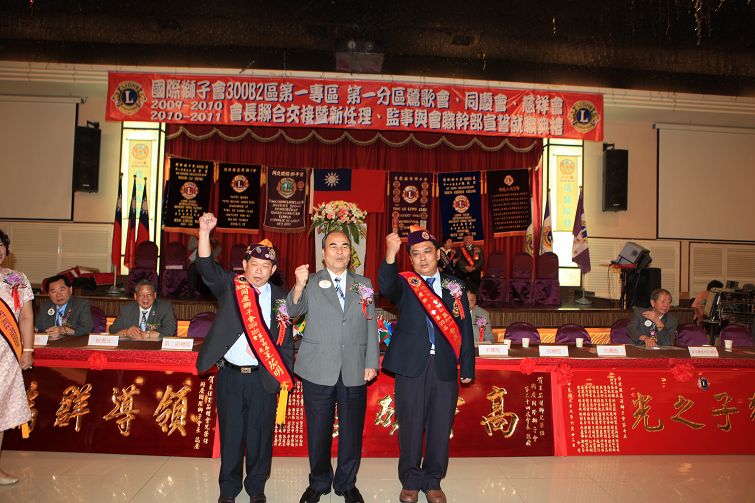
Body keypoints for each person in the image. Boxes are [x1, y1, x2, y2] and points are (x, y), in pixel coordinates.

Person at [195, 213, 294, 503]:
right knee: (231, 435)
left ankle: (256, 489)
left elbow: (285, 340)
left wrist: (283, 374)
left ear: (273, 270)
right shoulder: (230, 285)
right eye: (254, 265)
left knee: (260, 437)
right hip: (231, 375)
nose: (259, 271)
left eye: (265, 266)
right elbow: (206, 267)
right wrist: (204, 233)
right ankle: (228, 490)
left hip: (264, 377)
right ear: (244, 265)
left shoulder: (281, 297)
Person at [378, 227, 475, 503]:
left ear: (437, 253)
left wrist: (468, 366)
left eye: (427, 252)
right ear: (410, 259)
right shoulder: (405, 283)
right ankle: (410, 481)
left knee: (440, 425)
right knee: (409, 424)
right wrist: (390, 254)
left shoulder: (455, 285)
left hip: (444, 365)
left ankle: (433, 481)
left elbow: (465, 327)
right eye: (416, 254)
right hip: (411, 365)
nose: (422, 258)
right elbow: (386, 287)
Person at [288, 230, 379, 503]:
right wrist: (299, 286)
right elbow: (292, 312)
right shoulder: (311, 282)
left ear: (350, 253)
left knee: (351, 432)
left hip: (354, 367)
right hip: (318, 367)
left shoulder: (363, 284)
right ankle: (318, 482)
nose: (339, 251)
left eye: (344, 246)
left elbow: (370, 324)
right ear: (323, 252)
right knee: (318, 431)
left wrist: (371, 361)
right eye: (333, 246)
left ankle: (346, 483)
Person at [0, 229, 34, 485]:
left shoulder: (17, 280)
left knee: (0, 413)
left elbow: (26, 317)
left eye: (1, 246)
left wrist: (28, 350)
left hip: (6, 355)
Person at [109, 280, 177, 339]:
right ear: (135, 296)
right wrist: (126, 332)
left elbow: (170, 331)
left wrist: (147, 334)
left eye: (149, 295)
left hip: (155, 348)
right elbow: (113, 330)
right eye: (141, 295)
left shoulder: (164, 308)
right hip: (131, 347)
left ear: (155, 295)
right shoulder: (126, 309)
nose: (145, 298)